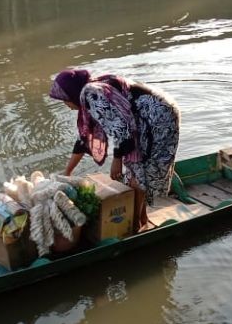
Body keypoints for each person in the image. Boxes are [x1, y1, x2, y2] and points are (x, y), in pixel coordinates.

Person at [49, 69, 180, 231]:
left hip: (158, 116)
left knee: (140, 173)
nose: (67, 105)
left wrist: (117, 160)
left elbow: (121, 128)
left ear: (72, 93)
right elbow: (83, 140)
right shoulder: (90, 93)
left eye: (65, 100)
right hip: (144, 117)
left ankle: (135, 223)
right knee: (136, 172)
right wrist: (67, 171)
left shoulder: (92, 94)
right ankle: (141, 217)